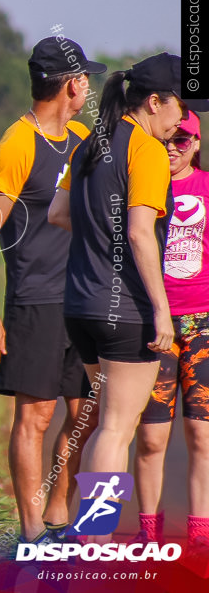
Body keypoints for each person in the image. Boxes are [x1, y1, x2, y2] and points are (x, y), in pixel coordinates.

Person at [48, 52, 209, 541]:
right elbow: (142, 234)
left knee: (108, 425)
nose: (179, 121)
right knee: (116, 429)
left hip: (80, 305)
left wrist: (102, 229)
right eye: (177, 108)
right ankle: (94, 538)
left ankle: (90, 534)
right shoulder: (145, 151)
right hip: (127, 310)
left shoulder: (92, 142)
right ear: (155, 101)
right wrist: (162, 310)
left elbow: (58, 212)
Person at [0, 36, 106, 545]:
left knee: (88, 412)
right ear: (71, 84)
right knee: (36, 415)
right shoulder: (15, 144)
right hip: (36, 298)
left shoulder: (82, 136)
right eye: (85, 78)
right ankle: (32, 534)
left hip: (86, 296)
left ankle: (59, 508)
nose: (88, 85)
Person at [131, 111, 209, 549]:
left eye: (185, 140)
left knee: (201, 433)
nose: (175, 146)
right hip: (153, 325)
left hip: (203, 323)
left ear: (196, 144)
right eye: (171, 137)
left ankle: (200, 536)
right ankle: (148, 532)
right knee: (150, 435)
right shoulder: (145, 183)